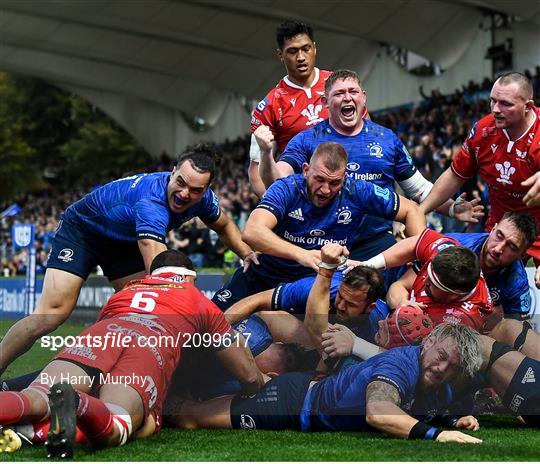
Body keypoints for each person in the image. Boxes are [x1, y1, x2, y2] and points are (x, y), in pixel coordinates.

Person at [0, 145, 258, 377]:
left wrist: (247, 253)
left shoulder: (205, 201)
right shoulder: (151, 204)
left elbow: (224, 225)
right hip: (83, 232)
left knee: (137, 315)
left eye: (195, 190)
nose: (183, 194)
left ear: (206, 191)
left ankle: (112, 374)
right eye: (180, 182)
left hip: (124, 242)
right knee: (50, 315)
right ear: (172, 172)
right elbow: (161, 280)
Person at [0, 250, 266, 457]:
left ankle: (29, 423)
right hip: (150, 344)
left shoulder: (126, 291)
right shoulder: (197, 300)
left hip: (104, 331)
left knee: (34, 396)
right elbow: (246, 373)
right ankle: (73, 406)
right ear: (188, 278)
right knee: (119, 422)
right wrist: (257, 382)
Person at [256, 69, 483, 260]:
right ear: (325, 102)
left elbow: (419, 188)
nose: (347, 98)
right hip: (322, 242)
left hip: (375, 241)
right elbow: (278, 181)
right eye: (339, 94)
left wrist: (452, 208)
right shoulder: (307, 139)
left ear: (363, 98)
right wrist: (266, 154)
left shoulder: (386, 139)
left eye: (353, 92)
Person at [176, 323, 483, 444]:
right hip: (290, 402)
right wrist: (437, 435)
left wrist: (454, 418)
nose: (441, 368)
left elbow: (417, 406)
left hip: (307, 394)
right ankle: (155, 397)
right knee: (190, 417)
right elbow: (378, 411)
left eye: (452, 367)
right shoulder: (400, 365)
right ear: (427, 342)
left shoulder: (437, 385)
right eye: (441, 355)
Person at [212, 141, 425, 310]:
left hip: (313, 286)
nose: (325, 189)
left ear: (345, 178)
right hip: (263, 277)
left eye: (334, 183)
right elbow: (252, 232)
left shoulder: (357, 190)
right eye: (319, 179)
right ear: (305, 170)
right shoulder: (287, 188)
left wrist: (420, 268)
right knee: (204, 328)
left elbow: (412, 210)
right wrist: (301, 254)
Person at [419, 72, 540, 288]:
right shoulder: (483, 130)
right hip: (501, 227)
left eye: (505, 104)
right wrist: (422, 209)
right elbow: (454, 175)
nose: (495, 109)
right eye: (493, 101)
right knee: (480, 286)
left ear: (528, 106)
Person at [248, 21, 368, 197]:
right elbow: (256, 170)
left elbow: (369, 135)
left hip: (352, 192)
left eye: (306, 48)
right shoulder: (269, 106)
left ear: (315, 48)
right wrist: (275, 204)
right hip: (304, 200)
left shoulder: (341, 87)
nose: (301, 57)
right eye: (293, 51)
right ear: (281, 55)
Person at [354, 228, 494, 333]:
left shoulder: (461, 320)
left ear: (454, 294)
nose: (425, 280)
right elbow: (399, 285)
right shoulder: (445, 253)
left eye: (433, 284)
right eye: (428, 274)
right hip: (392, 311)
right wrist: (368, 265)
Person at [447, 211, 538, 320]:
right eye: (499, 236)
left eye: (512, 247)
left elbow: (520, 327)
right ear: (492, 230)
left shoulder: (517, 281)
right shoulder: (453, 245)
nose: (498, 249)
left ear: (522, 255)